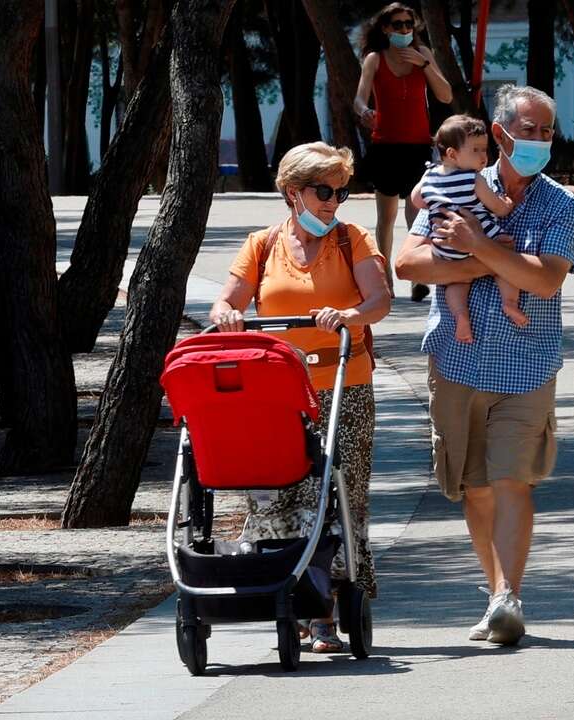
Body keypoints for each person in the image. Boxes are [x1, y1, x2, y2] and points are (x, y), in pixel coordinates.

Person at [394, 85, 574, 646]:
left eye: (547, 130)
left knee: (512, 480)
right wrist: (493, 260)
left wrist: (472, 248)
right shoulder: (450, 182)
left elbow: (545, 279)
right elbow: (408, 264)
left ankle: (508, 599)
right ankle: (494, 589)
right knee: (474, 486)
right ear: (499, 135)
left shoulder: (561, 205)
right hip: (456, 361)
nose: (540, 140)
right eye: (530, 129)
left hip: (528, 365)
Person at [210, 142, 391, 654]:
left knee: (337, 496)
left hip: (344, 385)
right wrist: (226, 312)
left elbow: (379, 299)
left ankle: (326, 613)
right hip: (278, 392)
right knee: (275, 489)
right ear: (294, 193)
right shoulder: (262, 245)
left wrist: (352, 316)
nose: (335, 201)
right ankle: (282, 593)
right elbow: (229, 298)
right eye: (325, 190)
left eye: (341, 191)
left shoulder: (351, 239)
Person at [353, 2, 453, 301]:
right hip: (385, 146)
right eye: (398, 25)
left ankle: (417, 276)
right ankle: (385, 279)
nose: (405, 30)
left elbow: (445, 95)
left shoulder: (423, 55)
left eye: (409, 24)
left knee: (417, 213)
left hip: (418, 145)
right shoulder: (375, 59)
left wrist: (424, 66)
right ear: (386, 28)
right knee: (386, 218)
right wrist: (365, 111)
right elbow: (358, 100)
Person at [410, 114, 523, 345]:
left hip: (443, 245)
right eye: (476, 150)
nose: (484, 156)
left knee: (455, 282)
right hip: (479, 235)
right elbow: (497, 208)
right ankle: (509, 302)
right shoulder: (473, 179)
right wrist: (507, 204)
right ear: (452, 154)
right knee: (504, 255)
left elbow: (417, 201)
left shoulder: (429, 175)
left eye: (484, 149)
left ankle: (461, 316)